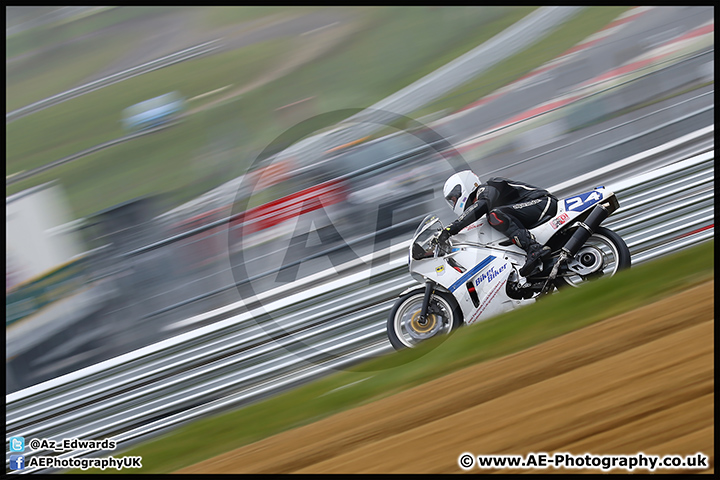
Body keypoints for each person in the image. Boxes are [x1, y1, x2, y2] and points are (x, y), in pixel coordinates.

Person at [436, 170, 557, 277]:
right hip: (532, 210)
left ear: (462, 188)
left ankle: (534, 248)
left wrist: (450, 229)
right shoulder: (485, 201)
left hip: (542, 202)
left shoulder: (488, 187)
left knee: (495, 215)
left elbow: (481, 206)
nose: (454, 203)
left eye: (454, 199)